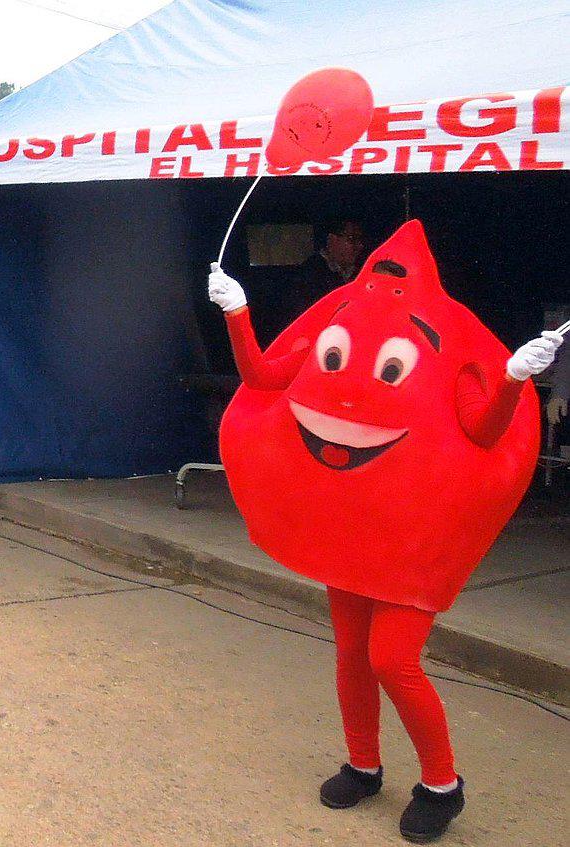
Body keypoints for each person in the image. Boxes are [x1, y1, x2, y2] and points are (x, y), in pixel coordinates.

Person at [207, 220, 564, 844]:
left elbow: (483, 430)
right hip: (355, 527)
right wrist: (237, 313)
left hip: (415, 537)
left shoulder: (446, 338)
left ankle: (442, 784)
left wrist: (512, 378)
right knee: (351, 653)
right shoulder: (339, 317)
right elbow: (266, 377)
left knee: (391, 659)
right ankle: (363, 764)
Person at [284, 219, 366, 321]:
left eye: (360, 240)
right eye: (352, 239)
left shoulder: (361, 272)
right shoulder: (309, 274)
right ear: (332, 240)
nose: (360, 246)